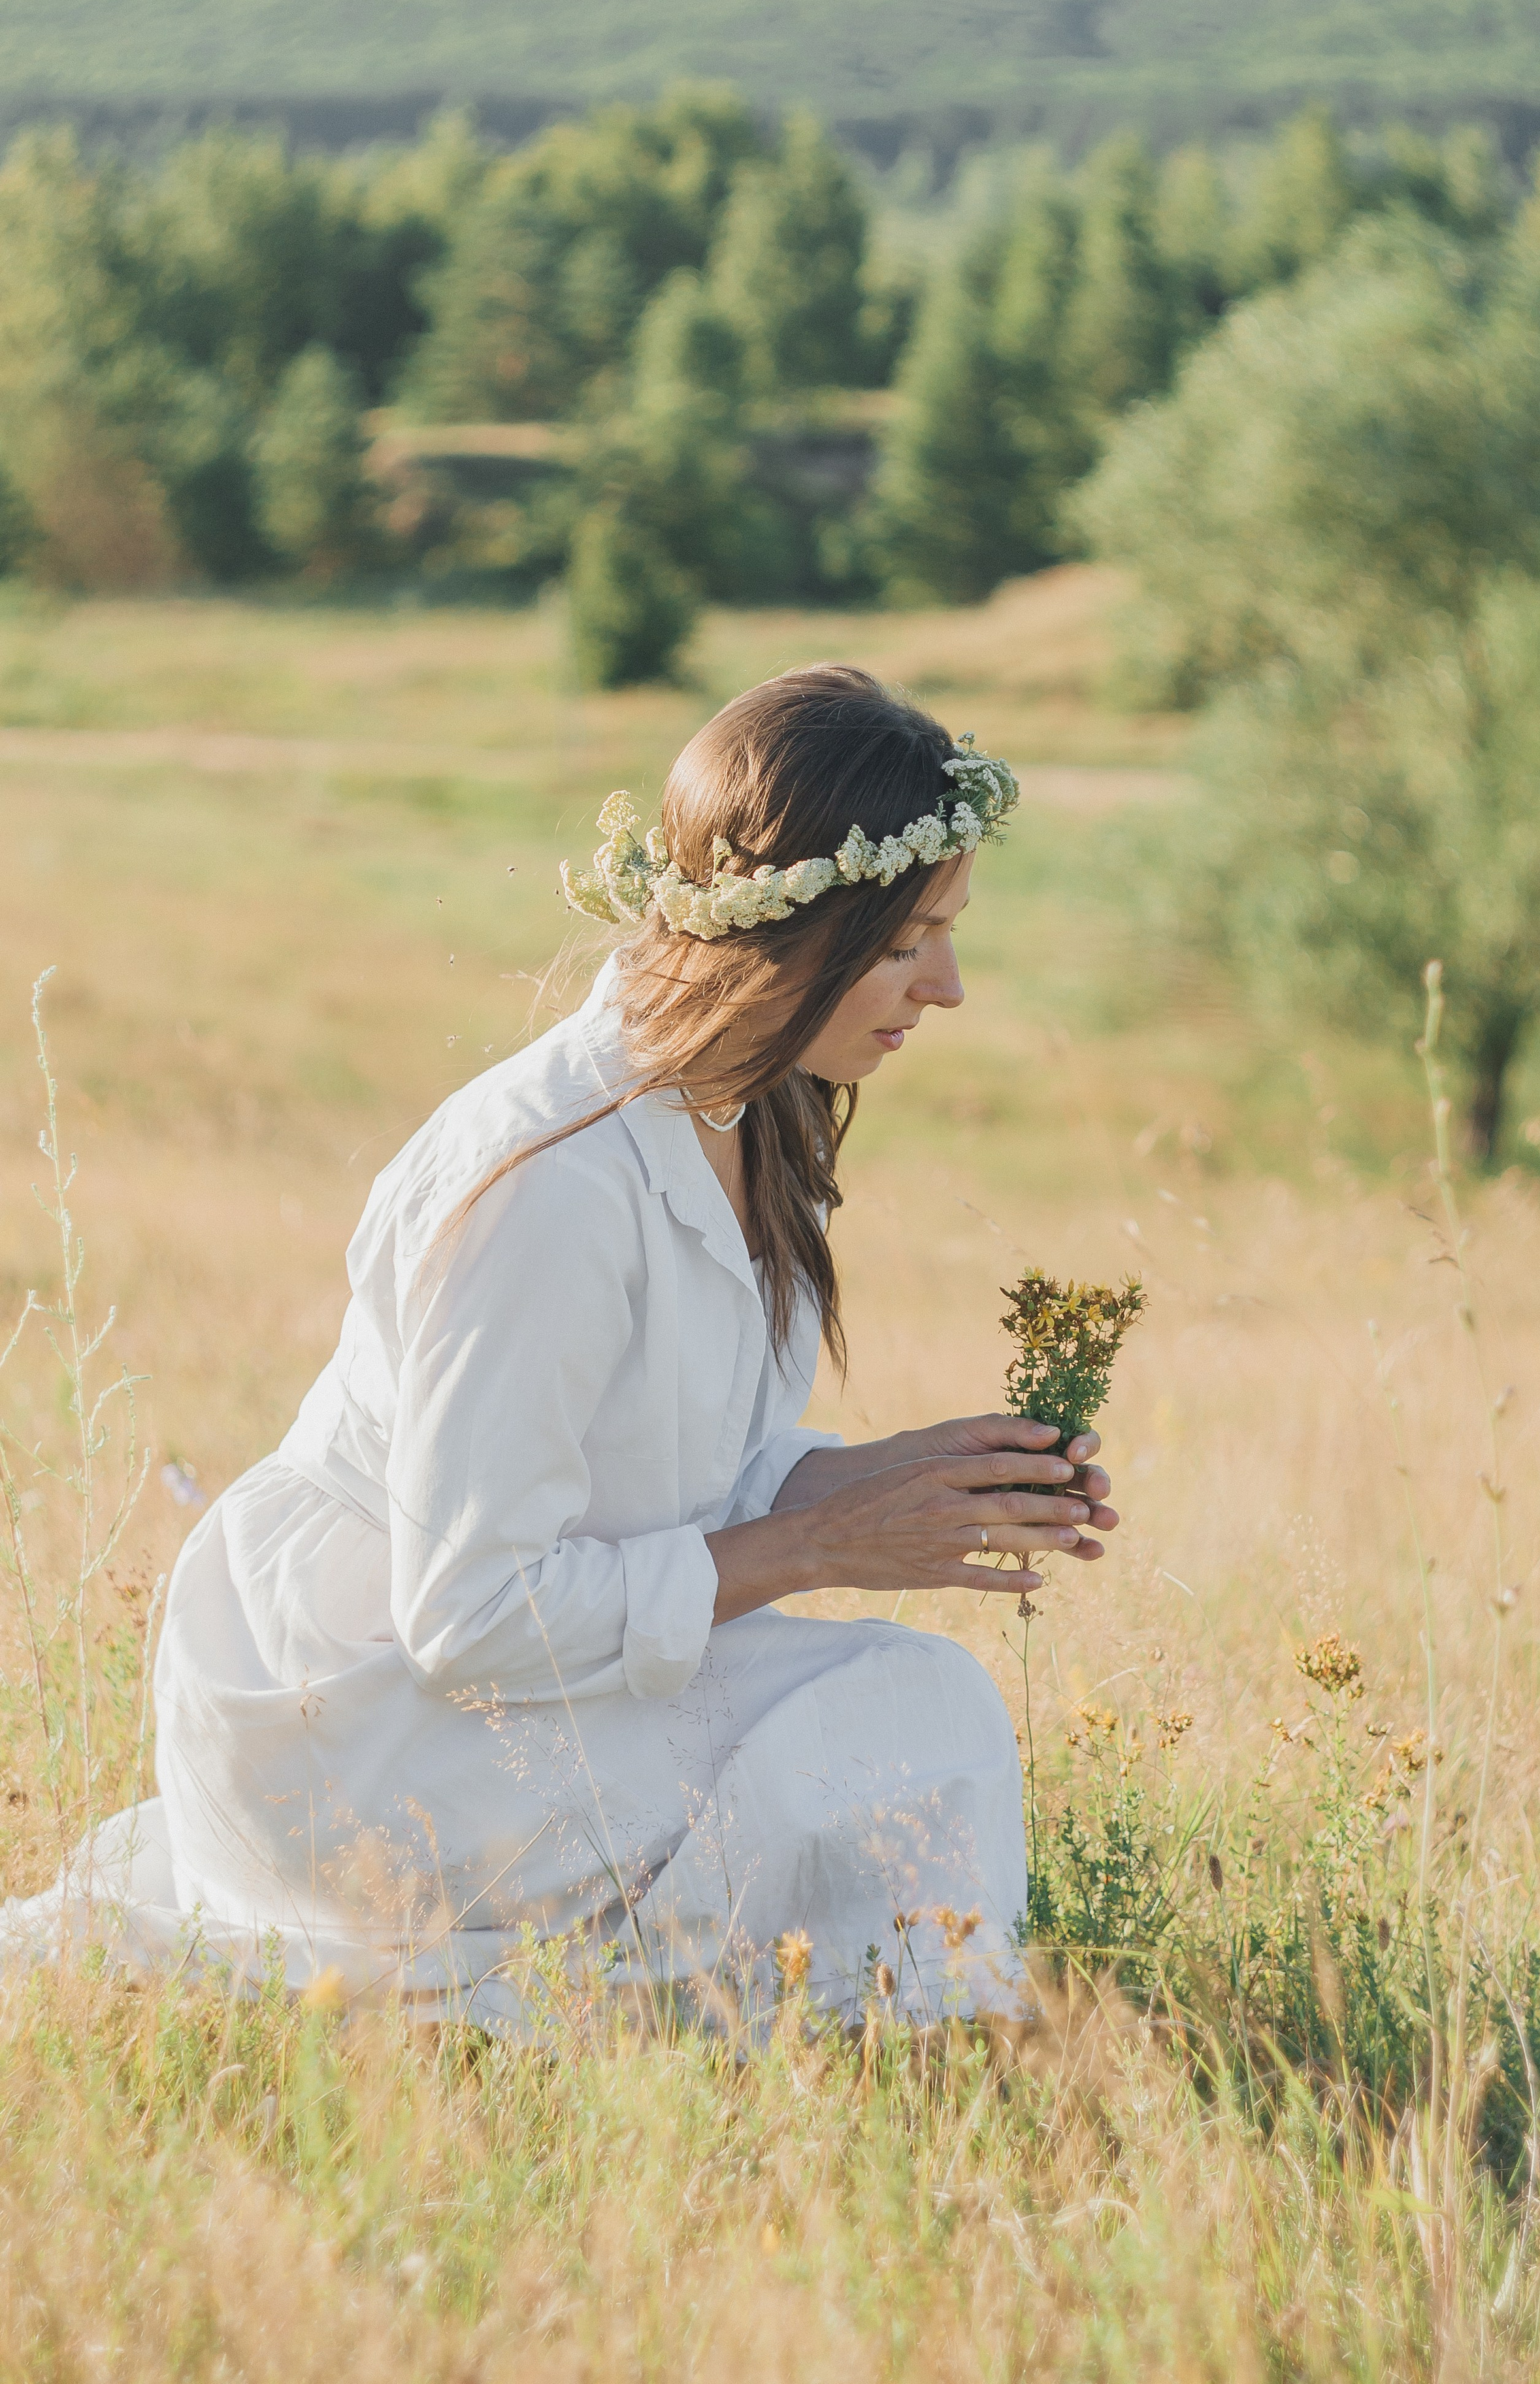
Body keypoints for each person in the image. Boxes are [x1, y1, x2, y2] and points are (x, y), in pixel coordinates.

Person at [3, 667, 1117, 2032]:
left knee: (896, 1716)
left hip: (484, 1668)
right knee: (909, 1708)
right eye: (906, 944)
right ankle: (824, 2036)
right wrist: (825, 1547)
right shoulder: (550, 1185)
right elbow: (471, 1613)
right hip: (363, 1715)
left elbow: (673, 1471)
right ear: (790, 938)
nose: (946, 987)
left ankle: (880, 2019)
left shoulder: (749, 1110)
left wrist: (904, 1481)